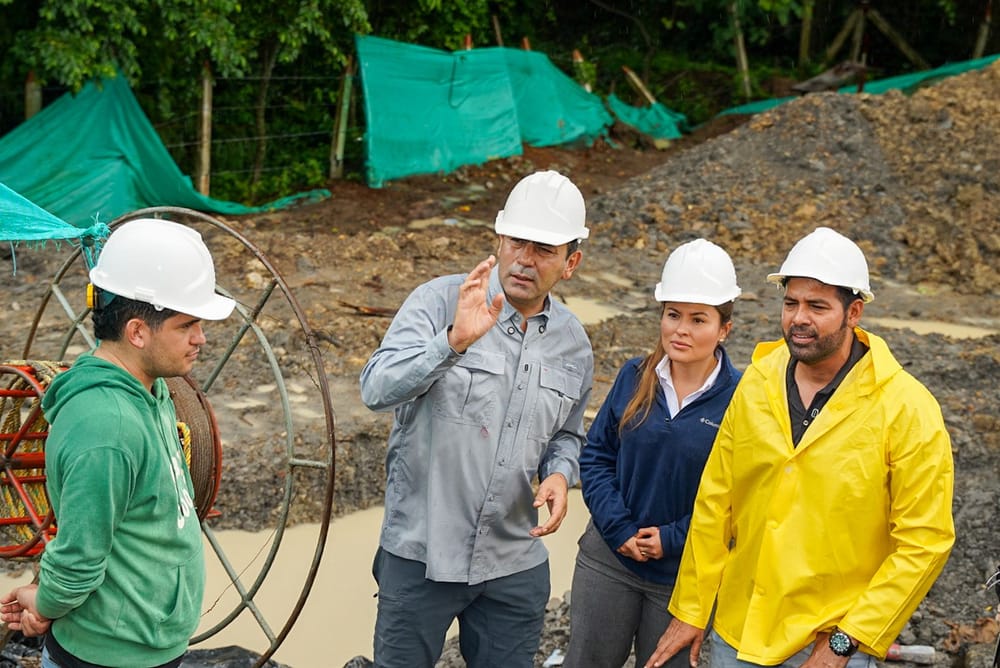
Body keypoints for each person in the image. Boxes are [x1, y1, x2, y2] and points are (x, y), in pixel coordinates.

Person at [645, 226, 956, 668]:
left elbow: (924, 541)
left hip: (830, 644)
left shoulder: (906, 408)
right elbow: (716, 501)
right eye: (791, 303)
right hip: (739, 633)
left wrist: (847, 641)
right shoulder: (758, 381)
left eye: (817, 306)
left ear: (854, 312)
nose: (799, 318)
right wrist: (692, 609)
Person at [359, 169, 595, 668]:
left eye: (544, 250)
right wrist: (453, 342)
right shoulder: (439, 302)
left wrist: (558, 473)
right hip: (421, 555)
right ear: (499, 239)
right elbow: (376, 390)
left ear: (570, 262)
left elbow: (567, 434)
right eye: (516, 242)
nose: (525, 259)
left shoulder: (573, 343)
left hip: (513, 562)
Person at [0, 218, 235, 668]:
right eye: (187, 325)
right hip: (108, 656)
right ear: (137, 331)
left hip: (144, 645)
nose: (201, 338)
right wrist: (45, 603)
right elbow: (79, 556)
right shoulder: (105, 427)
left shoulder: (150, 390)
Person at [565, 239, 743, 668]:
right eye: (673, 314)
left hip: (683, 580)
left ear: (724, 329)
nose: (681, 329)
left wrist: (672, 538)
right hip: (609, 559)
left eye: (698, 319)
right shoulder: (634, 375)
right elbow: (597, 457)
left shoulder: (742, 399)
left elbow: (740, 498)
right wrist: (619, 528)